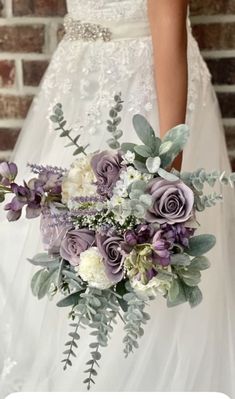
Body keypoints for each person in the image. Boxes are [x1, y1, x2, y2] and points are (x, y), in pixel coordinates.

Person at [0, 0, 234, 396]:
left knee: (137, 261)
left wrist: (164, 181)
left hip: (144, 94)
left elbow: (168, 30)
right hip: (76, 84)